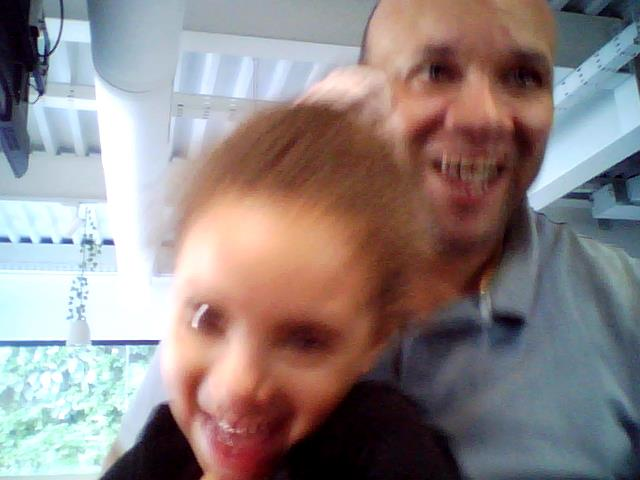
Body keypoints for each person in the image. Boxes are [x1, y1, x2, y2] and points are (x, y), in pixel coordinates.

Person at [317, 0, 640, 478]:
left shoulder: (627, 307)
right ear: (360, 96)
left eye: (523, 78)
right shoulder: (254, 292)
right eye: (435, 71)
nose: (483, 118)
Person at [101, 104, 462, 480]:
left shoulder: (387, 448)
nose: (237, 385)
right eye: (206, 318)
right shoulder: (160, 450)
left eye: (305, 341)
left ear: (374, 343)